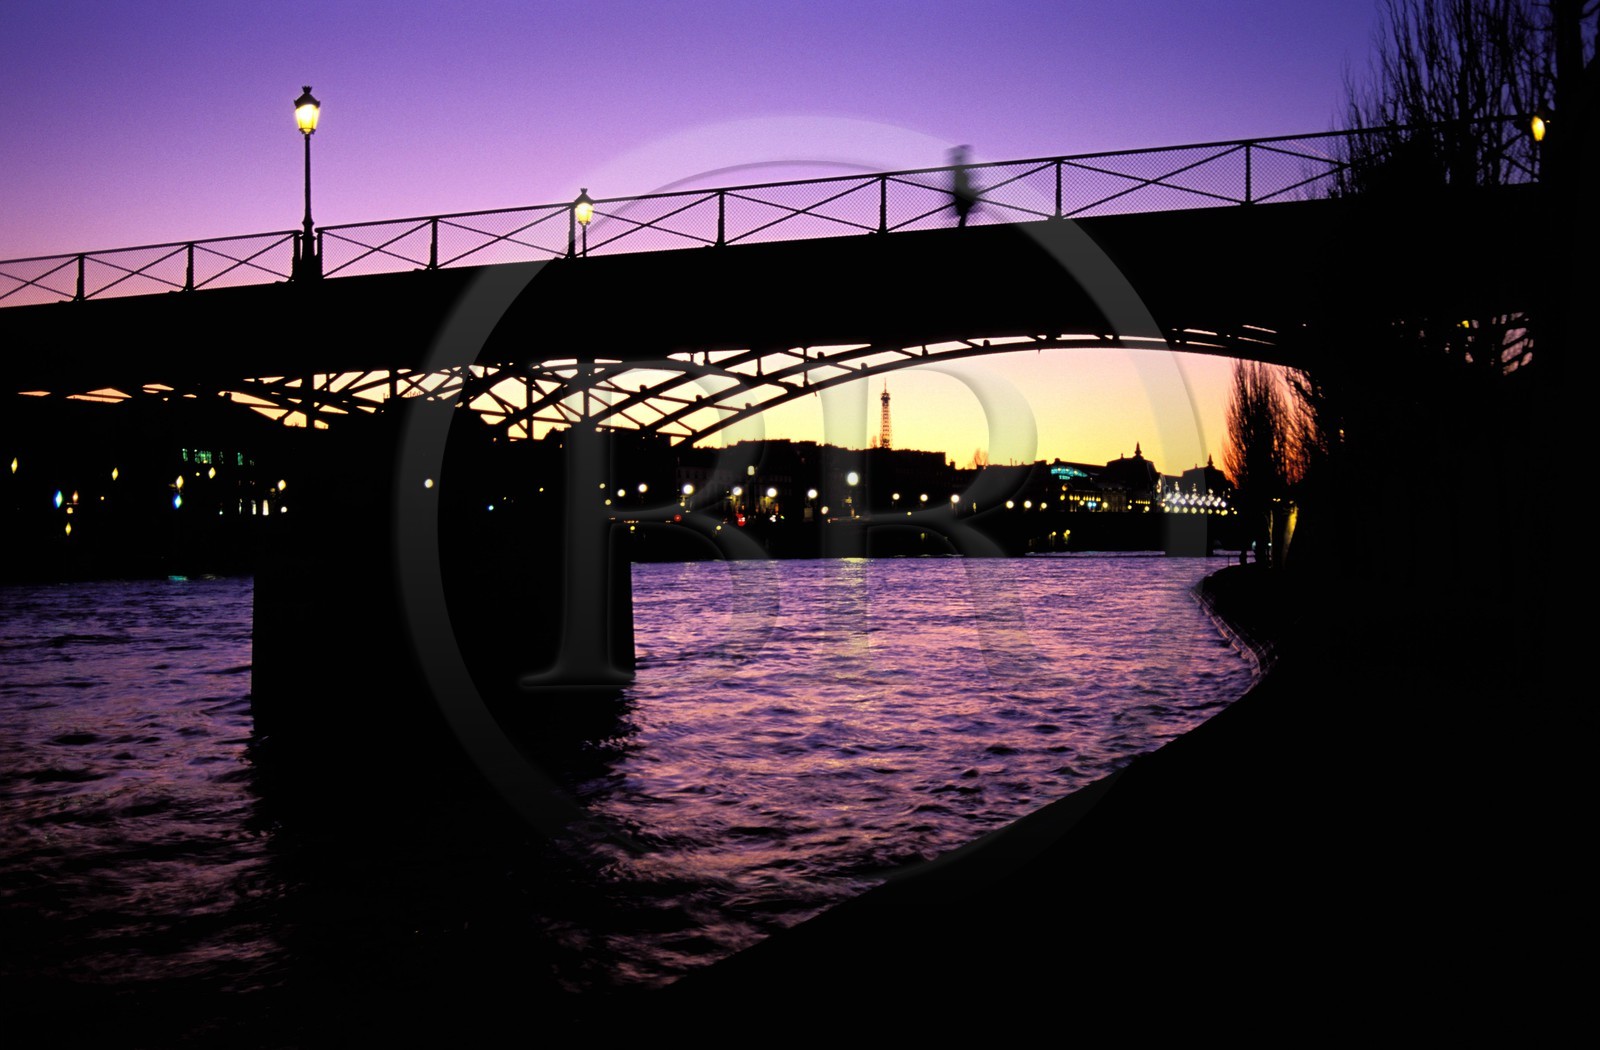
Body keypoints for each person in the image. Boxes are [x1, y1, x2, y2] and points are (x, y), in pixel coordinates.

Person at [948, 145, 977, 227]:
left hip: (961, 193)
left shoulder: (958, 172)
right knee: (964, 212)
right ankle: (961, 225)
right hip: (962, 193)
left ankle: (961, 224)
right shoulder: (958, 173)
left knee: (964, 213)